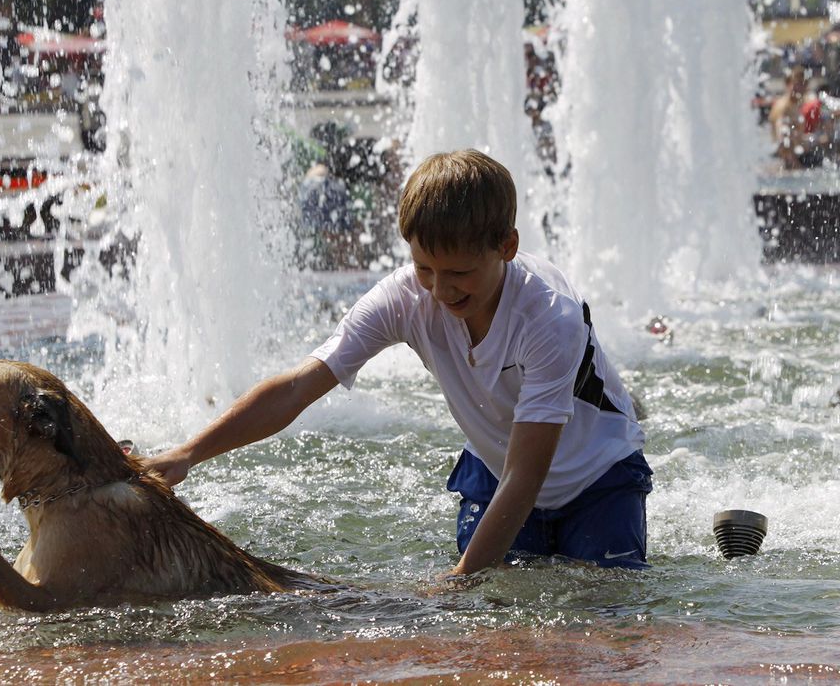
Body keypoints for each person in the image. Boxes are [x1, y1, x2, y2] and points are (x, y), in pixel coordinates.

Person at [146, 149, 652, 575]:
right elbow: (299, 386)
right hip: (498, 469)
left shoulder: (548, 318)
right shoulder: (405, 298)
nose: (441, 289)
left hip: (596, 479)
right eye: (424, 267)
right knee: (496, 617)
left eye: (460, 272)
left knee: (598, 609)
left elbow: (527, 475)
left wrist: (458, 583)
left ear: (507, 246)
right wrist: (188, 453)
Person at [769, 66, 827, 170]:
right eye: (797, 84)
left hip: (799, 155)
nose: (801, 87)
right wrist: (795, 165)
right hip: (789, 160)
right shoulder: (783, 107)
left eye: (804, 84)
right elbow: (782, 139)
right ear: (787, 85)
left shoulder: (795, 104)